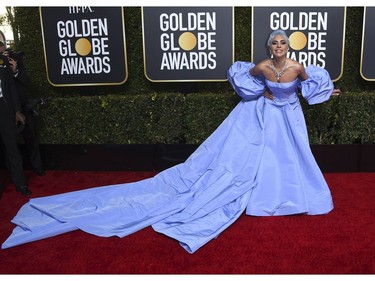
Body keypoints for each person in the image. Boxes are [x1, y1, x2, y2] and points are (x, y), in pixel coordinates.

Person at [2, 30, 340, 253]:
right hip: (263, 115)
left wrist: (328, 90)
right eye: (275, 43)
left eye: (283, 43)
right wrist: (261, 90)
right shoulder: (261, 66)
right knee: (252, 162)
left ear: (291, 46)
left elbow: (311, 87)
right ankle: (264, 198)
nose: (279, 47)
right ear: (269, 48)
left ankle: (287, 197)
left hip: (288, 119)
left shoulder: (298, 67)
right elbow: (241, 78)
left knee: (291, 159)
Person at [2, 47, 45, 176]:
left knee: (31, 138)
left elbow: (27, 82)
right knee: (8, 145)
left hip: (24, 108)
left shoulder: (15, 59)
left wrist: (15, 70)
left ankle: (38, 167)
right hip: (6, 111)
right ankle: (12, 172)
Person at [0, 40, 32, 196]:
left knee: (12, 147)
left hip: (5, 109)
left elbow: (12, 87)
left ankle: (20, 184)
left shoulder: (4, 61)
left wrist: (17, 110)